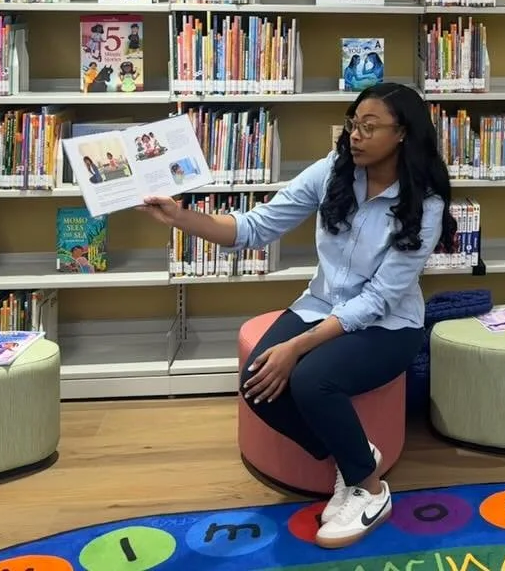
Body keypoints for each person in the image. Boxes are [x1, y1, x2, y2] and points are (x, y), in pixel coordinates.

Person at [140, 82, 456, 550]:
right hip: (320, 304)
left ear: (403, 134)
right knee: (257, 383)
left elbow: (377, 300)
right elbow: (257, 226)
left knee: (309, 379)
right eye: (353, 123)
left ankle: (370, 489)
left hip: (389, 325)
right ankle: (355, 456)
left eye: (370, 127)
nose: (355, 135)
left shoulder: (425, 203)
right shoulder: (333, 171)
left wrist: (296, 346)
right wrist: (183, 218)